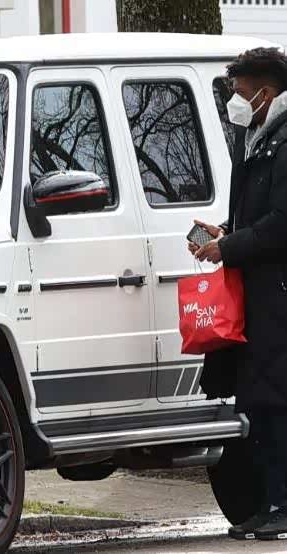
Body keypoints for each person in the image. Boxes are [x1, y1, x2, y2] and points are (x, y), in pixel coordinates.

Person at [190, 47, 287, 541]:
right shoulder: (256, 139)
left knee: (276, 403)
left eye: (241, 92)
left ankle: (282, 504)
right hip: (257, 296)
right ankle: (269, 503)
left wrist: (228, 246)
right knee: (258, 404)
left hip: (278, 297)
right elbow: (257, 216)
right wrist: (224, 231)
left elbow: (281, 224)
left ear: (265, 93)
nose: (235, 101)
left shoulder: (284, 143)